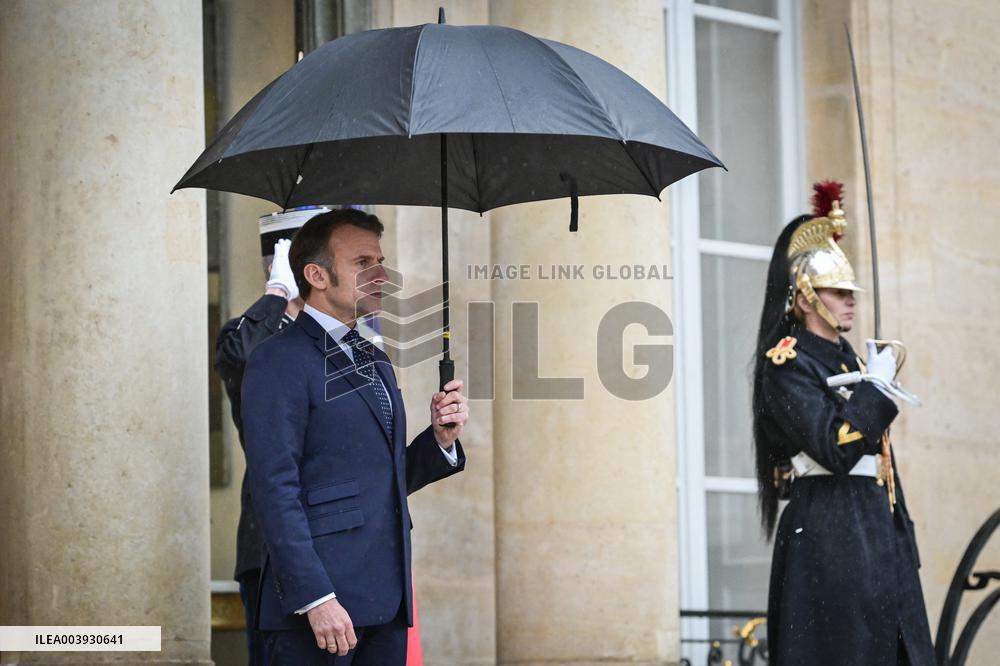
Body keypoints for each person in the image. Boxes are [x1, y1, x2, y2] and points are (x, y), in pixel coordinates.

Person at [241, 208, 468, 664]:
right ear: (316, 275)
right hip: (316, 609)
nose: (382, 274)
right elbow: (274, 488)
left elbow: (381, 478)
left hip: (385, 600)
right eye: (364, 263)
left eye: (380, 260)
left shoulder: (374, 357)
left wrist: (439, 441)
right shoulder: (277, 360)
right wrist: (316, 597)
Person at [751, 182, 934, 665]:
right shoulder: (787, 365)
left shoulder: (846, 358)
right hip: (830, 538)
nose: (850, 301)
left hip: (875, 533)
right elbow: (836, 449)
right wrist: (874, 389)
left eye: (851, 292)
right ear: (808, 298)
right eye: (838, 292)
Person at [215, 207, 329, 663]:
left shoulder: (341, 341)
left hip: (342, 542)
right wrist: (277, 294)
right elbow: (240, 356)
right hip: (270, 548)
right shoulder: (253, 336)